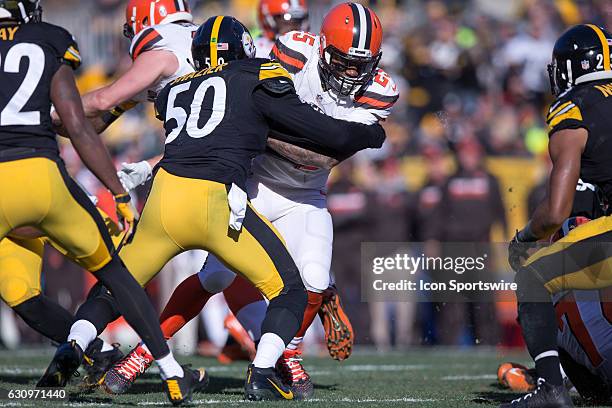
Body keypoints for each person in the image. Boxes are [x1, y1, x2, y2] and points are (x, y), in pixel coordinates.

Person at [71, 15, 387, 401]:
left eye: (361, 64)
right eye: (343, 61)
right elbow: (321, 141)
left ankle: (285, 355)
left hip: (304, 195)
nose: (352, 73)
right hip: (254, 184)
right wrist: (358, 135)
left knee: (314, 281)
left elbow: (323, 157)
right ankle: (140, 355)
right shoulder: (291, 53)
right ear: (321, 47)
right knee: (217, 277)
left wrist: (261, 128)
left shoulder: (381, 89)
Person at [0, 1, 205, 405]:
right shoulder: (49, 40)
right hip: (41, 179)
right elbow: (79, 124)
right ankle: (166, 370)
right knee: (115, 273)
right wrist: (117, 189)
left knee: (18, 293)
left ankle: (85, 357)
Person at [506, 24, 612, 407]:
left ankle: (551, 389)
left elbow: (555, 210)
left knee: (533, 277)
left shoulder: (575, 105)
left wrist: (524, 239)